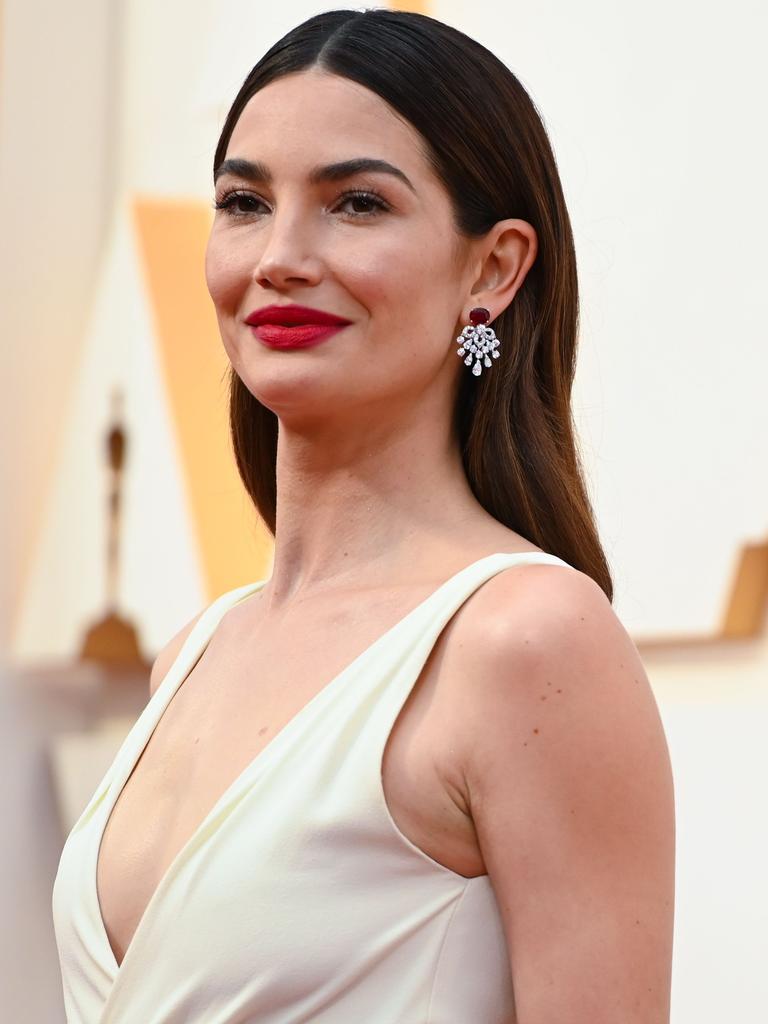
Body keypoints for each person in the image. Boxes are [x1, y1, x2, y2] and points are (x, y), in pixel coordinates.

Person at [52, 8, 675, 1022]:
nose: (281, 256)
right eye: (244, 201)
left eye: (356, 204)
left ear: (494, 268)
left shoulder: (529, 640)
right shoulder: (193, 651)